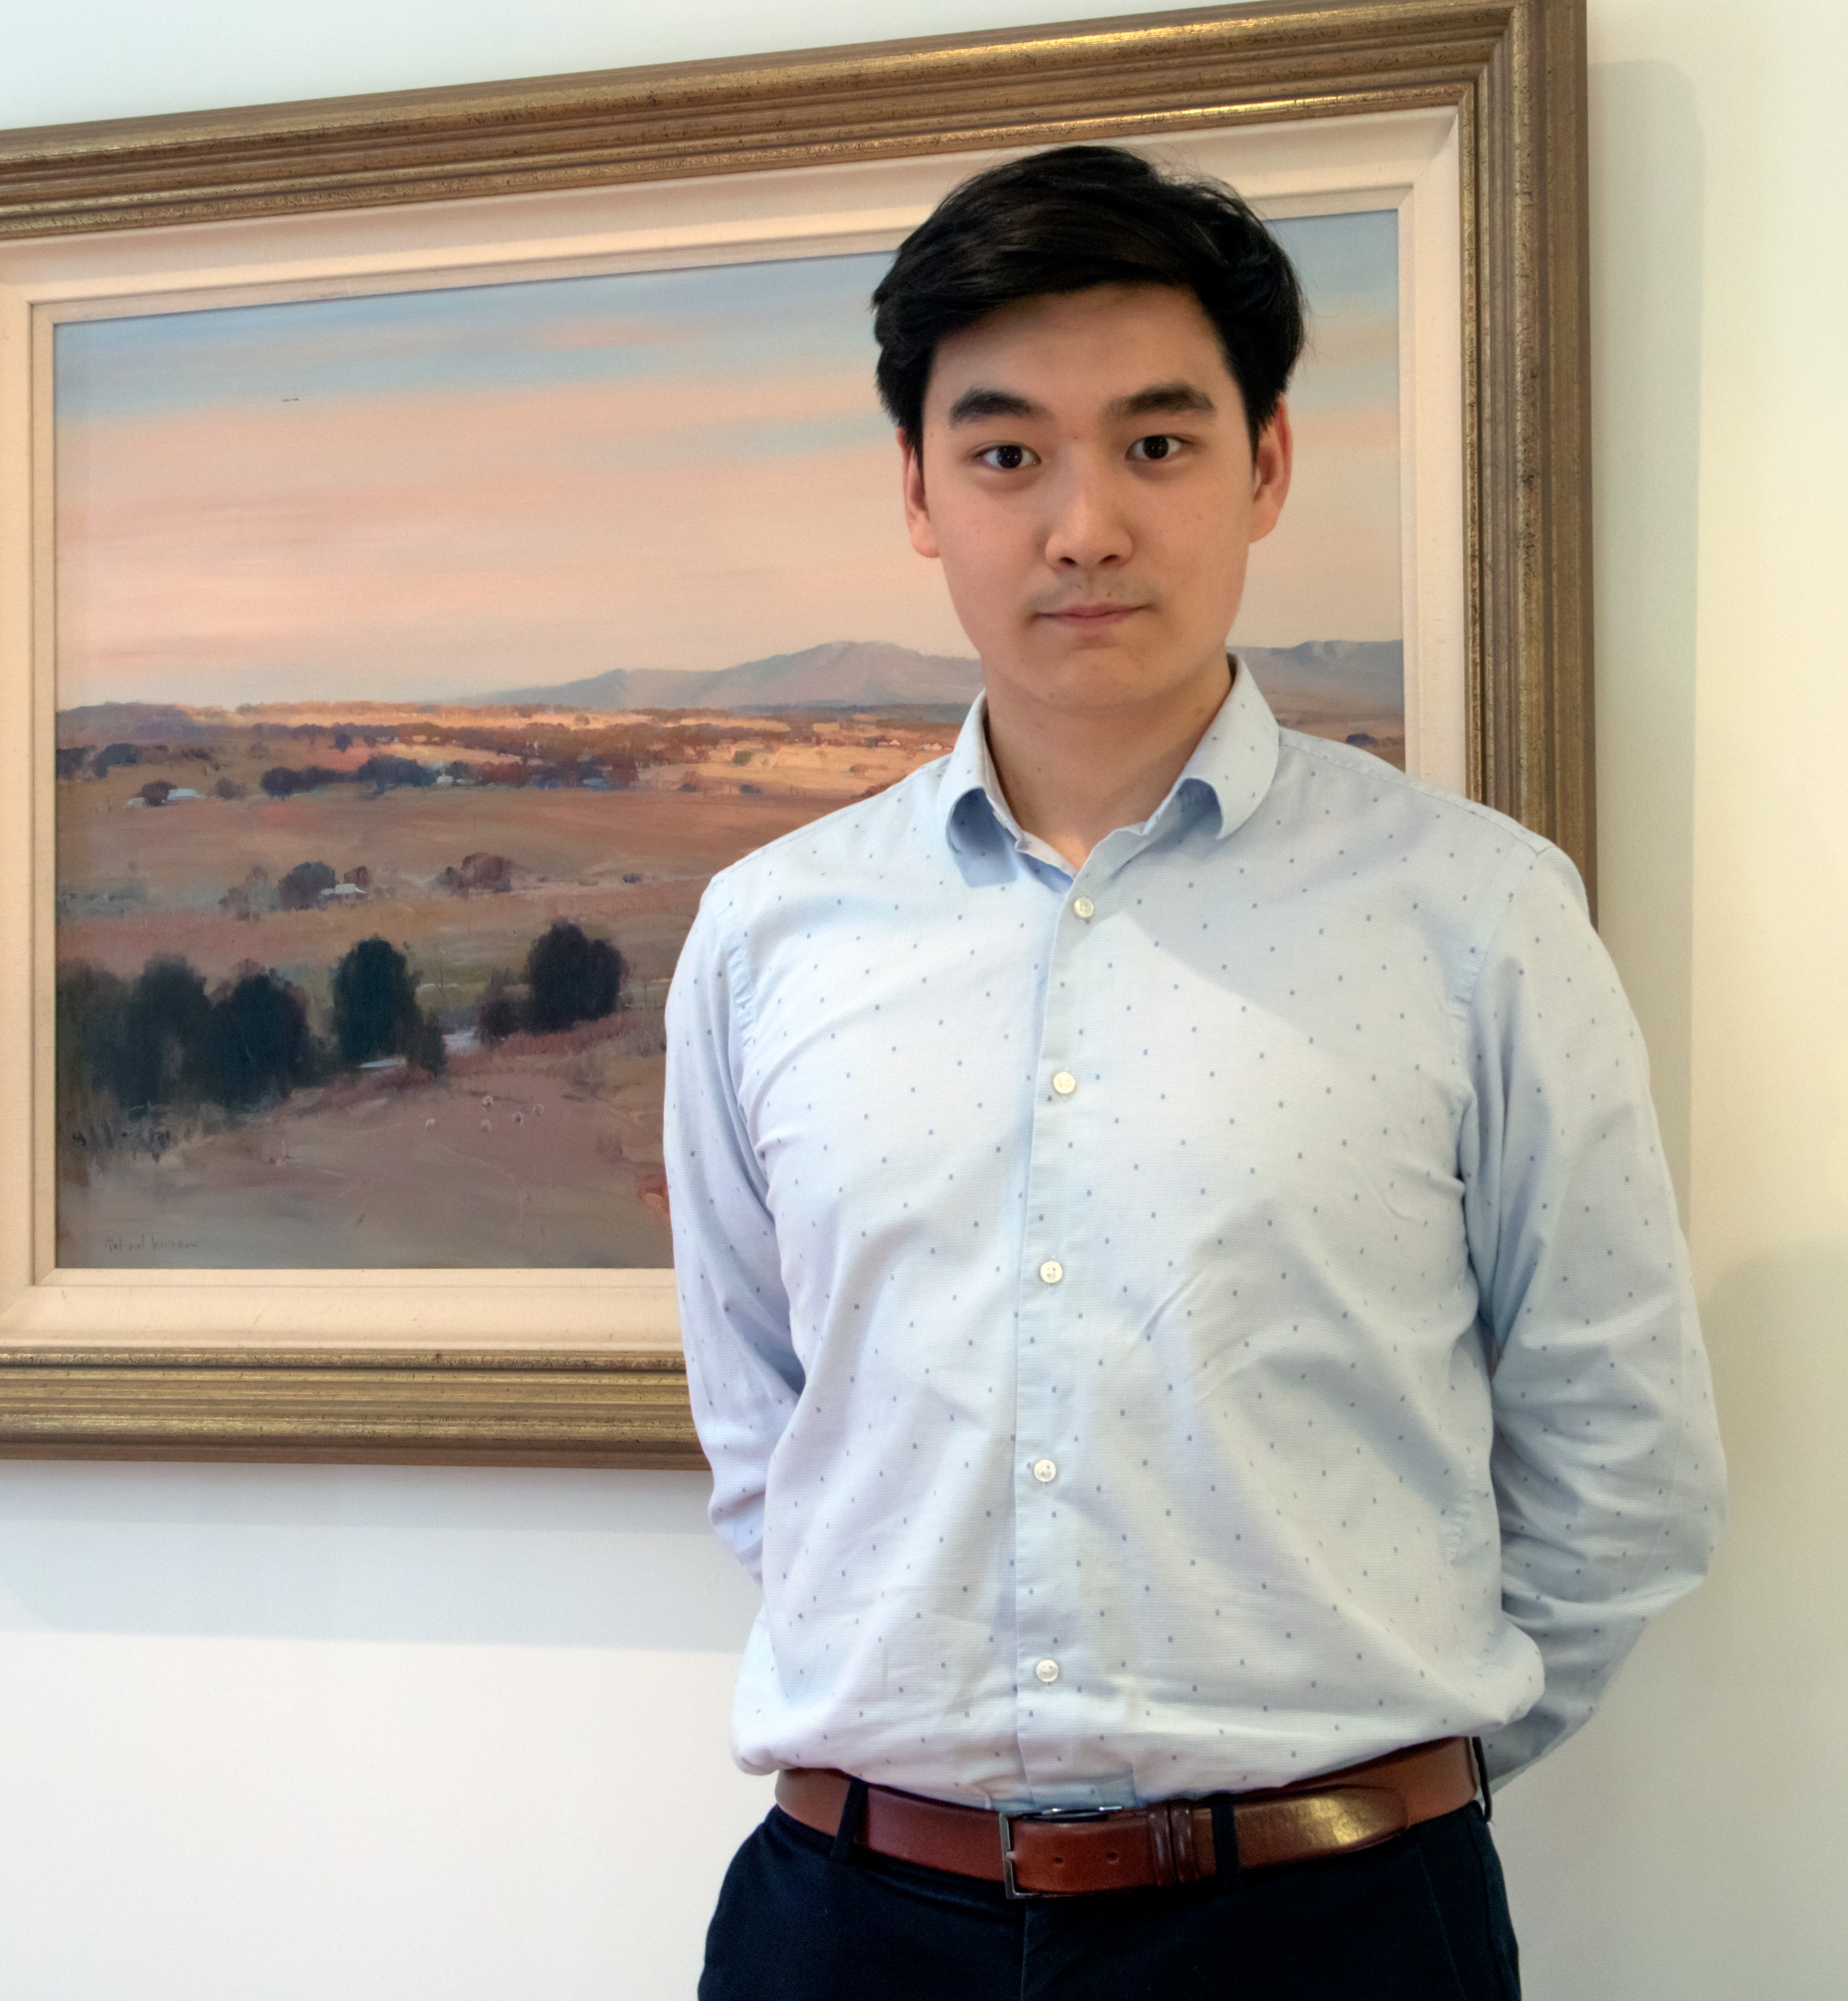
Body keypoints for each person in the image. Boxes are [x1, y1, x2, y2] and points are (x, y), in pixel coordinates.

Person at [662, 145, 1723, 2000]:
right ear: (918, 492)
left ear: (1267, 464)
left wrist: (1372, 1797)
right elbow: (767, 1438)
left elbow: (1621, 1452)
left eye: (1157, 443)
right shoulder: (769, 936)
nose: (1085, 526)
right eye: (1008, 454)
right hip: (850, 1924)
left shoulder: (1475, 917)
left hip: (1329, 1927)